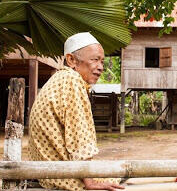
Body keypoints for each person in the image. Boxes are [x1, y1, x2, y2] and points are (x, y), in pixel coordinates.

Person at [28, 32, 124, 191]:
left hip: (48, 173)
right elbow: (79, 135)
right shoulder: (72, 81)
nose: (100, 67)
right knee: (120, 178)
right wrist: (89, 182)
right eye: (95, 60)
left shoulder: (60, 79)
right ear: (71, 60)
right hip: (62, 176)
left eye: (102, 61)